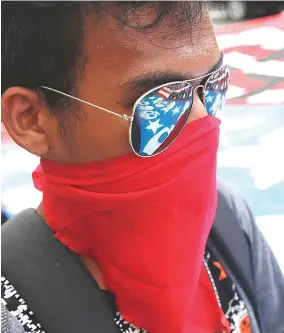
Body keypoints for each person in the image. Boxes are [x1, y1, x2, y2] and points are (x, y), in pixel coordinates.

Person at [1, 2, 284, 333]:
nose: (203, 123)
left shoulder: (227, 221)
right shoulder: (13, 312)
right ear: (32, 120)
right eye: (160, 102)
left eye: (214, 85)